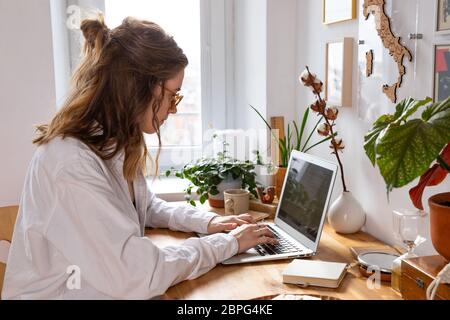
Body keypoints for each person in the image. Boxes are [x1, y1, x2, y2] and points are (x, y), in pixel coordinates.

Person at [2, 16, 277, 300]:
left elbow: (143, 206)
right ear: (138, 88)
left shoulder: (112, 141)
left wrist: (206, 223)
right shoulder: (70, 163)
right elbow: (139, 274)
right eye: (173, 96)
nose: (173, 110)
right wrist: (226, 244)